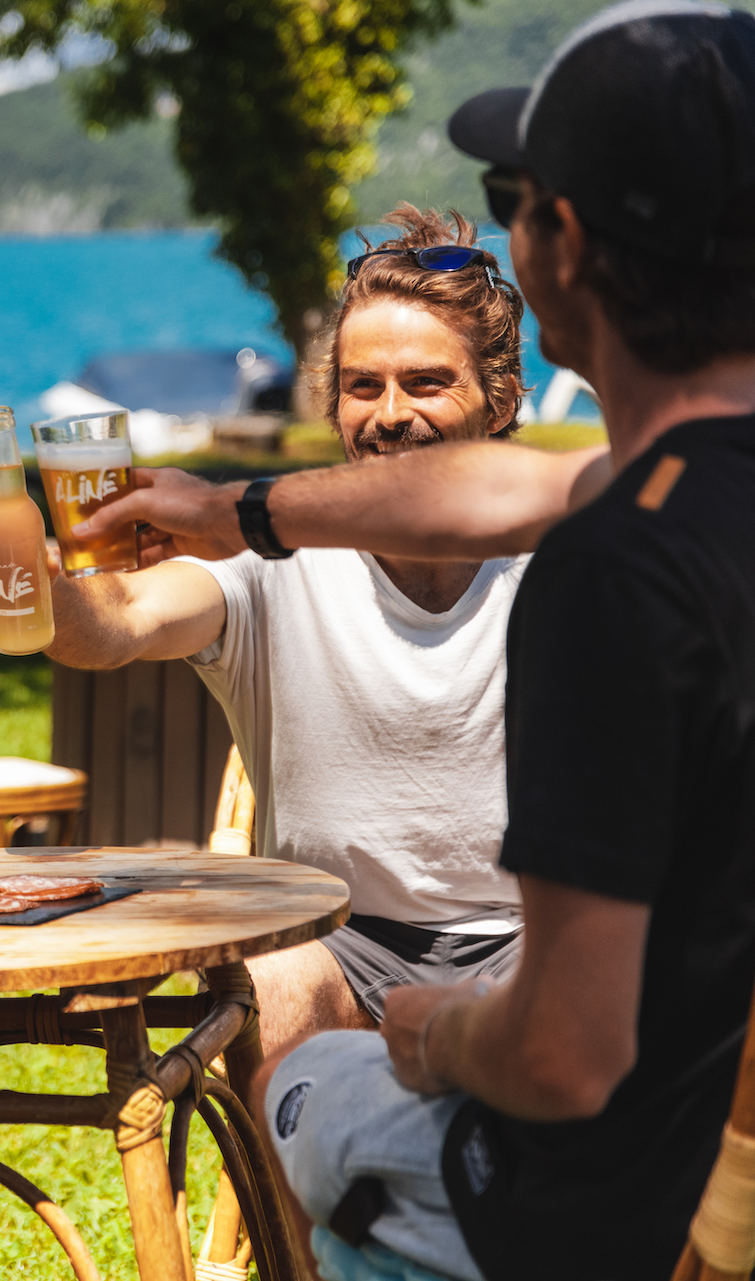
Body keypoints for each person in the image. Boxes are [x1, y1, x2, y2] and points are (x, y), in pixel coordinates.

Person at [83, 6, 755, 1278]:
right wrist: (237, 515)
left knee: (322, 1092)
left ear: (562, 245)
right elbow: (500, 493)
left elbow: (562, 1054)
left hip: (594, 1203)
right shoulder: (685, 502)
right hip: (711, 1156)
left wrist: (439, 1035)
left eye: (515, 197)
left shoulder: (614, 577)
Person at [0, 204, 531, 1051]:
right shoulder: (272, 552)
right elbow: (122, 620)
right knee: (268, 985)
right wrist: (43, 589)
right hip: (333, 938)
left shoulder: (560, 561)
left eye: (426, 382)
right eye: (362, 386)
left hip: (532, 941)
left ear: (500, 398)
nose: (389, 413)